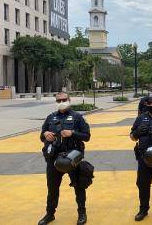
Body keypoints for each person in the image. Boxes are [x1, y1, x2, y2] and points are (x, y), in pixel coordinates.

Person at [38, 92, 91, 225]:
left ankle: (82, 214)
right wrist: (46, 134)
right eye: (58, 100)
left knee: (79, 185)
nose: (61, 102)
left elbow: (87, 136)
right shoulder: (50, 117)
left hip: (72, 156)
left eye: (64, 99)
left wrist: (72, 133)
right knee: (52, 188)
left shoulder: (77, 117)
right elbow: (41, 136)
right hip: (54, 158)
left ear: (69, 100)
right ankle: (50, 214)